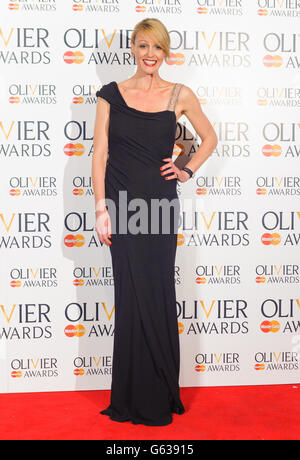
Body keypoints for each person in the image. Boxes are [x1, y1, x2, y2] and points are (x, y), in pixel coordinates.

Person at [92, 18, 217, 426]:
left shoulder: (178, 94)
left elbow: (208, 138)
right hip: (123, 207)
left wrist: (185, 167)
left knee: (159, 291)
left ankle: (160, 392)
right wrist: (100, 208)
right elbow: (99, 153)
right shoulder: (112, 95)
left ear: (165, 53)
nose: (150, 54)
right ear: (132, 48)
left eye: (158, 48)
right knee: (129, 297)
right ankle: (128, 396)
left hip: (160, 208)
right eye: (143, 46)